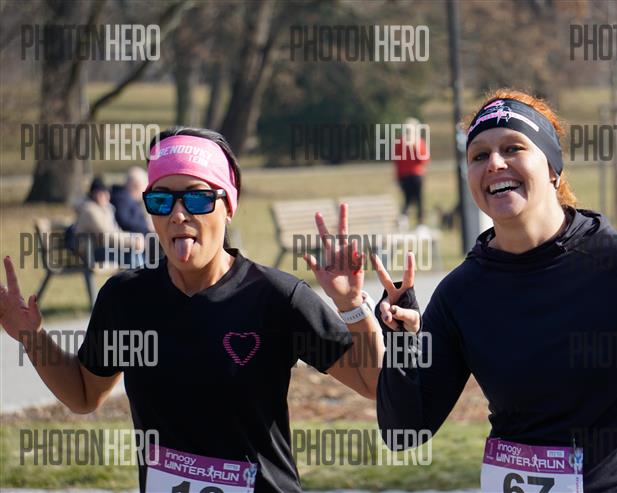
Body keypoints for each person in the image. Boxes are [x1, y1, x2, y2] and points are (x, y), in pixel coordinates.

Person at [369, 89, 617, 492]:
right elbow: (404, 433)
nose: (494, 163)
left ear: (552, 169)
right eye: (479, 155)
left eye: (513, 148)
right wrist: (402, 342)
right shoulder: (461, 292)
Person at [0, 127, 385, 492]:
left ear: (228, 206)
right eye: (161, 200)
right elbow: (84, 394)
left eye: (198, 198)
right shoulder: (126, 299)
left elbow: (372, 383)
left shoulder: (275, 297)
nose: (178, 214)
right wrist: (32, 338)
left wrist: (353, 306)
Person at [73, 176, 145, 267]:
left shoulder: (107, 208)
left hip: (105, 247)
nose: (104, 196)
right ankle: (138, 273)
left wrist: (134, 238)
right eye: (100, 193)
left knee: (133, 249)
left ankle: (139, 272)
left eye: (105, 193)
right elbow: (106, 236)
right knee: (130, 252)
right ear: (93, 194)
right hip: (92, 252)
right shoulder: (89, 211)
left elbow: (116, 232)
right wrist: (131, 241)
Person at [393, 117, 429, 227]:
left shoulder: (410, 142)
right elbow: (424, 160)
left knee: (411, 199)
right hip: (413, 175)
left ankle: (412, 221)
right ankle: (416, 222)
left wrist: (397, 177)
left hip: (409, 175)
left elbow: (397, 162)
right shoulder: (412, 142)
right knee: (415, 199)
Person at [110, 166, 154, 234]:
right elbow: (125, 222)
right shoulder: (122, 199)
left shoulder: (129, 199)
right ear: (136, 185)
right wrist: (147, 226)